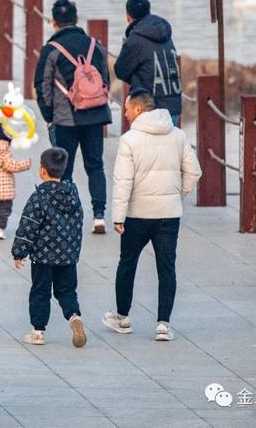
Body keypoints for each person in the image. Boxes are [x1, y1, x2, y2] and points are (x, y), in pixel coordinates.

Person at [102, 89, 201, 341]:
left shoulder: (129, 139)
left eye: (126, 108)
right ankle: (163, 324)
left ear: (138, 110)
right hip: (169, 214)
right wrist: (176, 195)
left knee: (127, 264)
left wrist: (118, 217)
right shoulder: (177, 135)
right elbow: (194, 171)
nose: (124, 113)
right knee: (166, 267)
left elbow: (122, 181)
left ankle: (122, 318)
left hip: (137, 214)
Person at [34, 0, 112, 234]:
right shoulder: (94, 45)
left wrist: (49, 115)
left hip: (65, 119)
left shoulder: (51, 50)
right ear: (77, 19)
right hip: (96, 116)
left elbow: (42, 86)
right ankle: (99, 215)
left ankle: (65, 217)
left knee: (62, 169)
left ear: (53, 21)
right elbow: (105, 79)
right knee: (95, 165)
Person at [12, 148, 86, 348]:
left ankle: (38, 332)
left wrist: (19, 252)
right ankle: (74, 316)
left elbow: (28, 225)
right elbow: (78, 221)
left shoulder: (39, 196)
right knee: (67, 291)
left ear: (42, 170)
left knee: (40, 292)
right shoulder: (73, 194)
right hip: (68, 256)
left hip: (43, 257)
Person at [114, 0, 182, 127]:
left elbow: (120, 70)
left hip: (149, 108)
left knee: (148, 147)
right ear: (148, 11)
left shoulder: (136, 39)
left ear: (128, 16)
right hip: (173, 105)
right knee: (168, 146)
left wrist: (135, 77)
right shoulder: (166, 35)